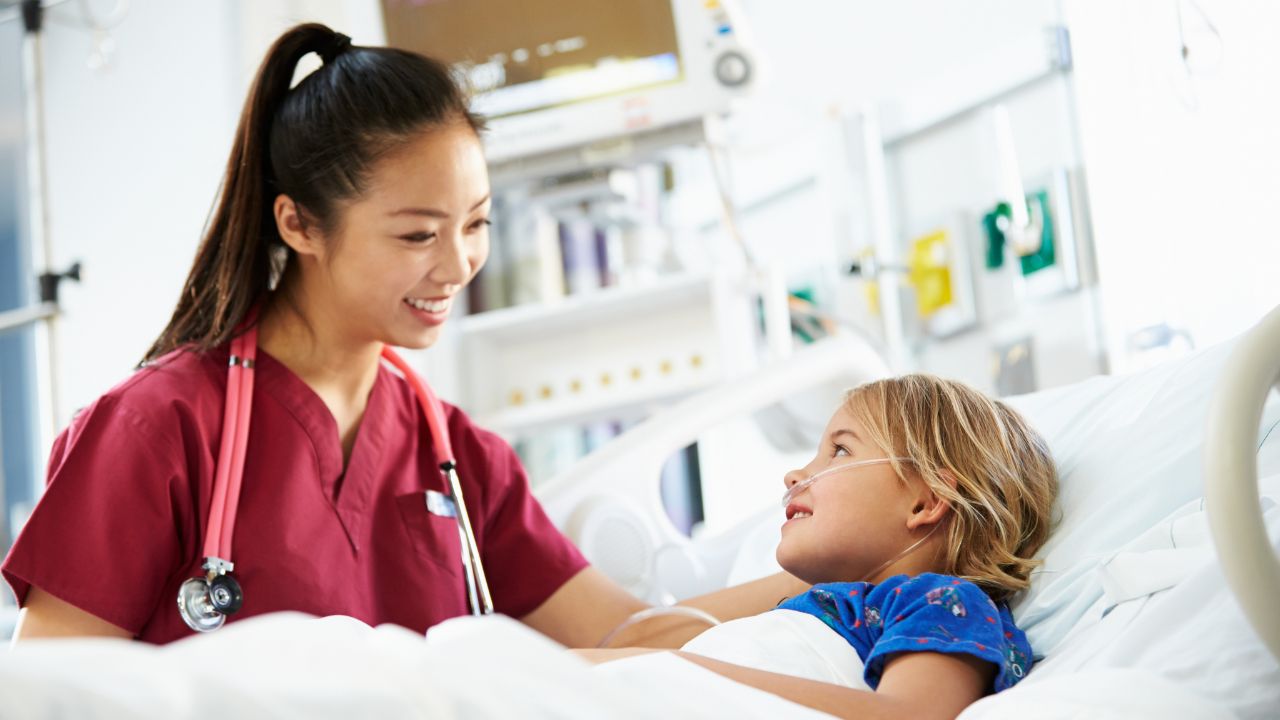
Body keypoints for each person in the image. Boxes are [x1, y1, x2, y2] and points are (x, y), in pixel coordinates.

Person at [2, 23, 804, 646]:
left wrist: (841, 585)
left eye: (477, 223)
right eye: (418, 235)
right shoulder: (156, 429)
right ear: (298, 224)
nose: (457, 266)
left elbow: (631, 638)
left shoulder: (459, 460)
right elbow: (49, 693)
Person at [578, 375, 1058, 720]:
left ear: (926, 501)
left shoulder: (943, 603)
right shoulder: (822, 609)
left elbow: (905, 716)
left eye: (840, 450)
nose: (795, 475)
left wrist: (674, 671)